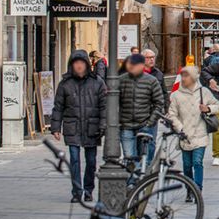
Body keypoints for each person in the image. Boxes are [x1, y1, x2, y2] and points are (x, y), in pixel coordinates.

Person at [51, 50, 107, 203]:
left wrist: (103, 125)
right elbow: (58, 106)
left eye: (82, 63)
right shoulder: (65, 84)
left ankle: (88, 190)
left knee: (91, 161)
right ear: (72, 65)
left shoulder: (97, 82)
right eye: (76, 63)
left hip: (92, 127)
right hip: (72, 127)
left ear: (87, 65)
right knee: (74, 160)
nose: (79, 66)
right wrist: (55, 127)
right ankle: (77, 191)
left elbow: (104, 106)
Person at [166, 66, 219, 200]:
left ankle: (197, 190)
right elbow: (172, 114)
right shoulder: (176, 95)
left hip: (200, 134)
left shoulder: (204, 92)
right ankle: (189, 189)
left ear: (194, 77)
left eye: (187, 76)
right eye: (183, 76)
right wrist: (179, 128)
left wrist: (208, 108)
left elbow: (217, 105)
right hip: (185, 135)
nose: (184, 78)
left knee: (197, 162)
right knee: (187, 165)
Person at [119, 54, 165, 176]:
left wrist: (150, 122)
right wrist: (119, 121)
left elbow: (159, 103)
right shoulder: (121, 80)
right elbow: (114, 103)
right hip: (126, 126)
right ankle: (133, 185)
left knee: (143, 157)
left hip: (144, 125)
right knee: (129, 157)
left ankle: (138, 184)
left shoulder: (151, 80)